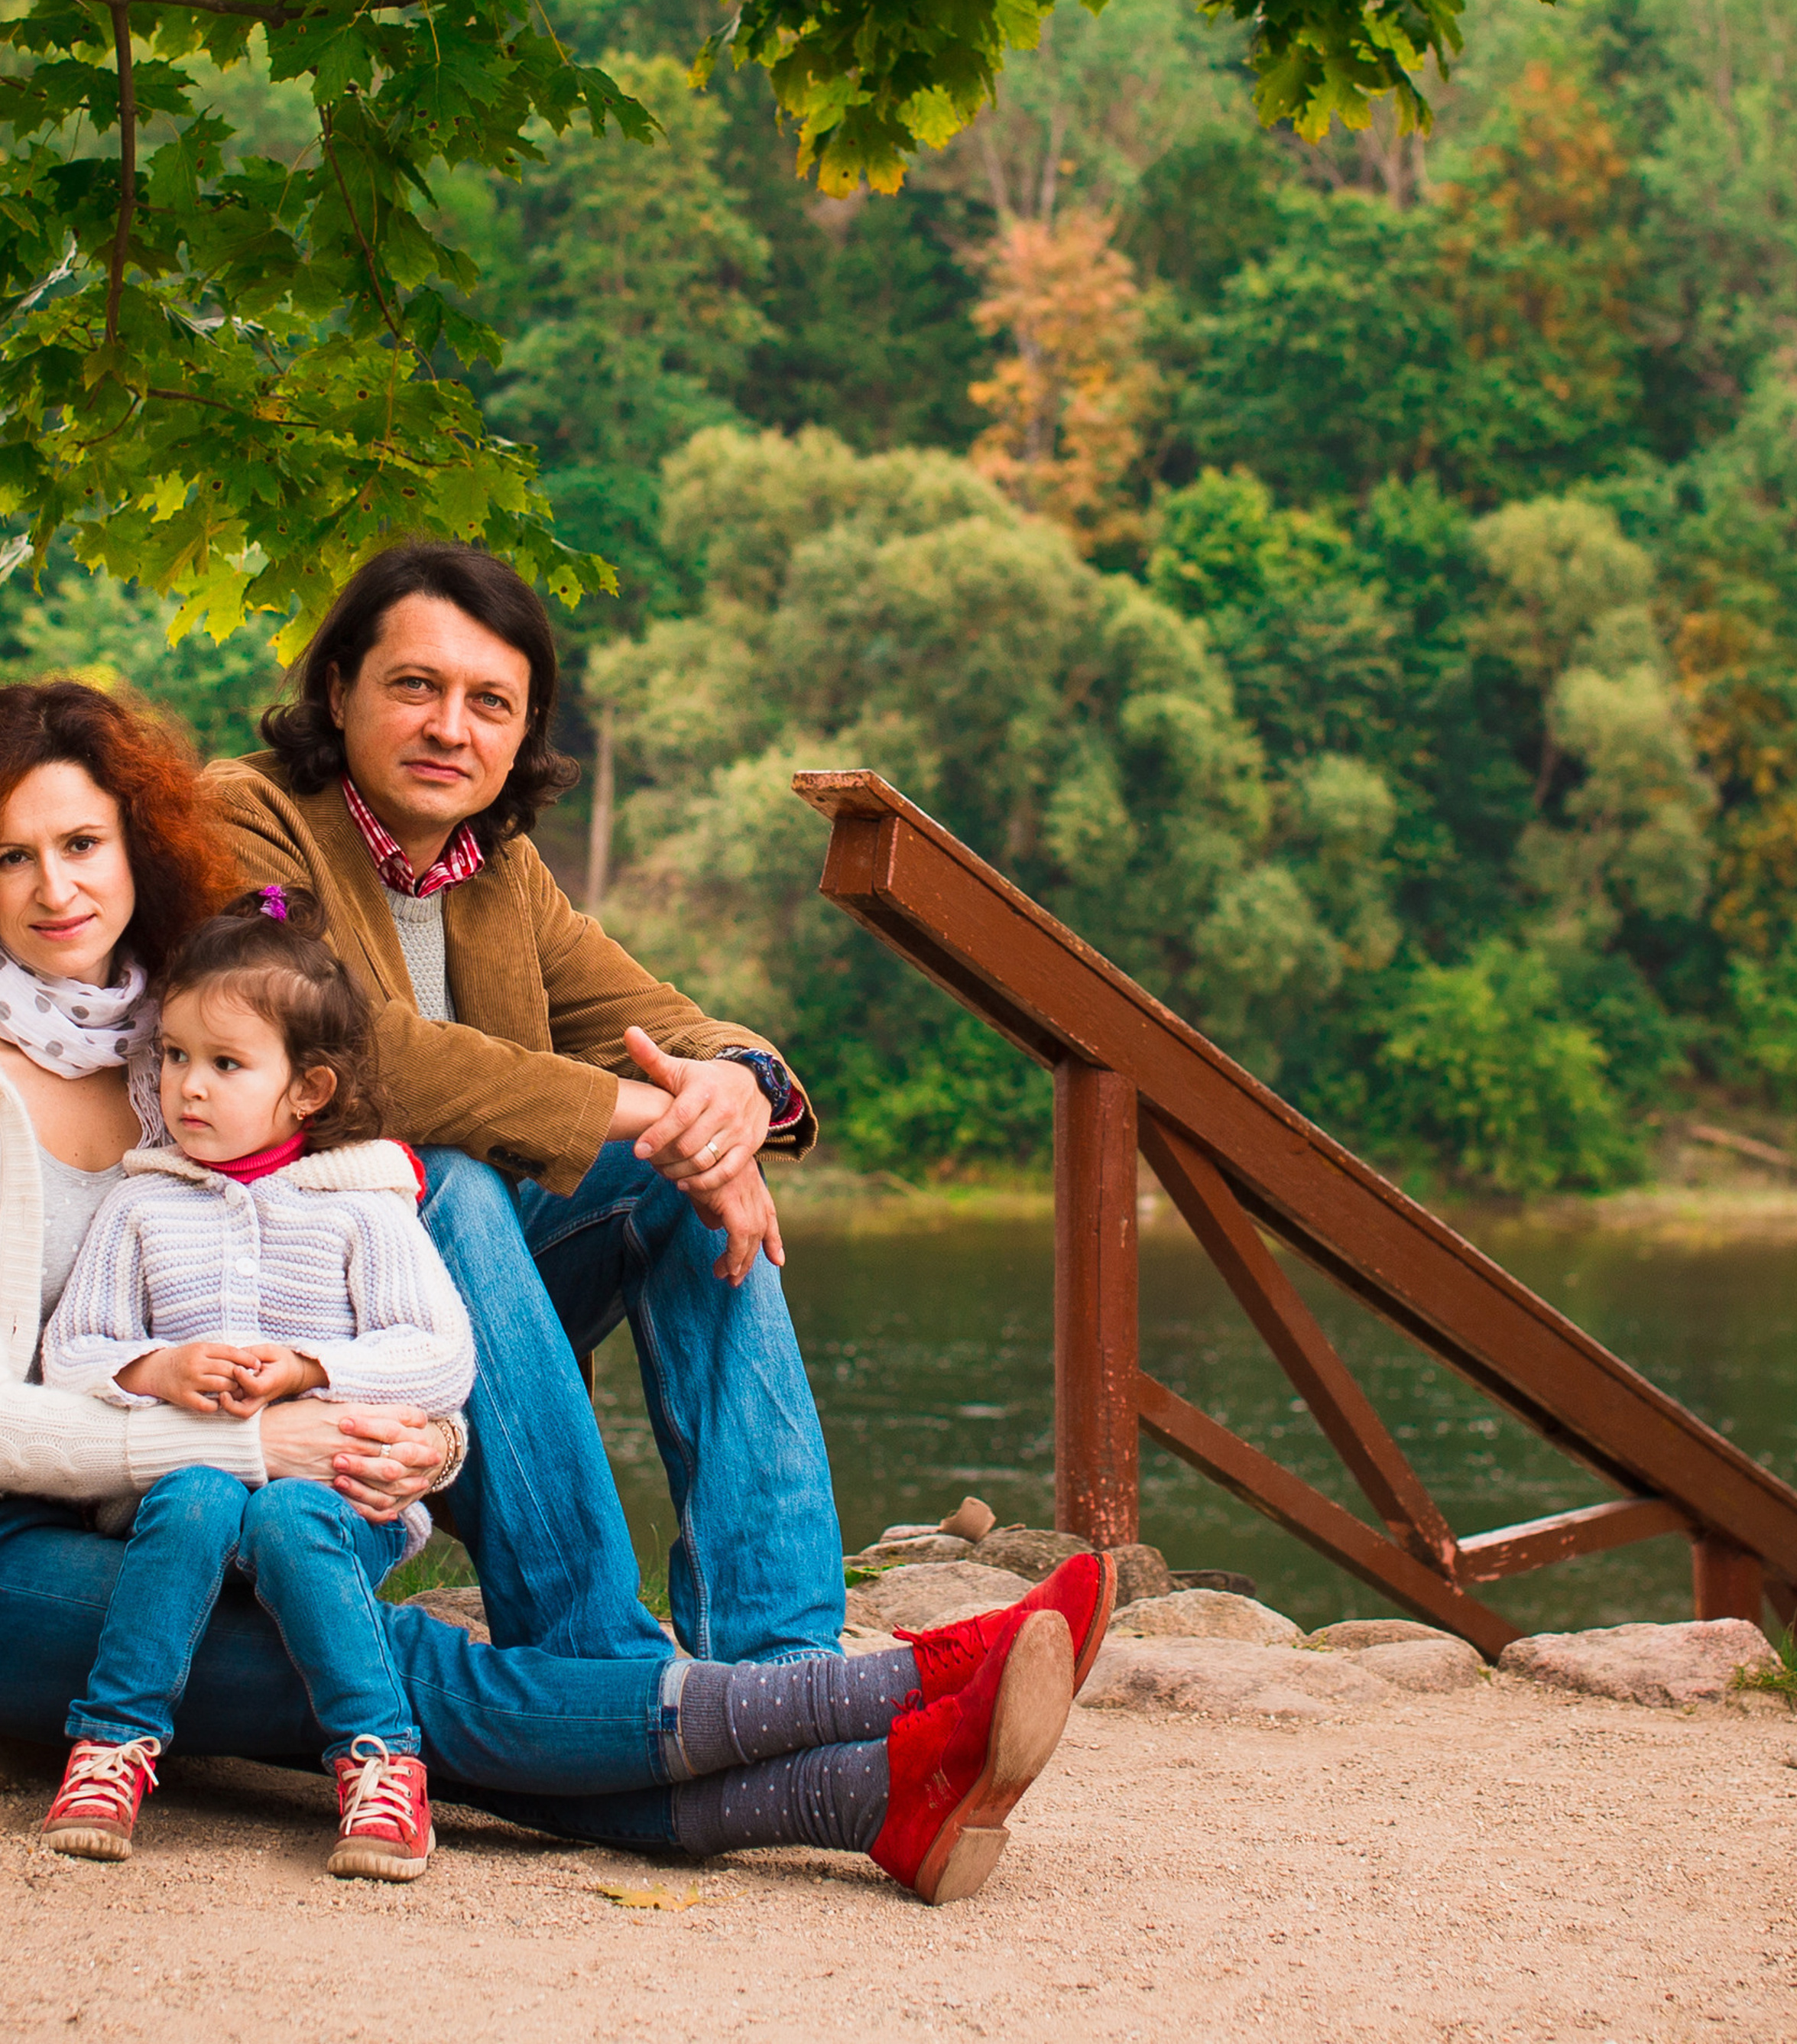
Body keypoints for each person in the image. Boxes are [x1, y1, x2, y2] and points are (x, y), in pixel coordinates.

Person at [0, 676, 1117, 1902]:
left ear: (134, 847)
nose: (57, 888)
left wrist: (415, 1430)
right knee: (390, 1670)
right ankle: (877, 1701)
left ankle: (867, 1783)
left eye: (82, 844)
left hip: (237, 1495)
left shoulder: (182, 1039)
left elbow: (322, 1270)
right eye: (12, 856)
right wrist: (264, 1438)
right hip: (49, 1539)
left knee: (627, 1189)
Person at [208, 543, 845, 1666]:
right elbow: (344, 1057)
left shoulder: (496, 869)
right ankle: (598, 1665)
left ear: (524, 731)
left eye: (490, 702)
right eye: (416, 686)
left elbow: (666, 1019)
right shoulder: (243, 818)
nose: (452, 727)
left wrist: (735, 1091)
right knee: (441, 1173)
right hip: (296, 1309)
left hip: (480, 1302)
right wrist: (647, 1110)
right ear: (341, 686)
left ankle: (781, 1661)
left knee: (684, 1173)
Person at [39, 885, 475, 1880]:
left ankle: (380, 1763)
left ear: (307, 1090)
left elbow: (442, 1356)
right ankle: (111, 1749)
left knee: (287, 1521)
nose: (190, 1087)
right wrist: (157, 1366)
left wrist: (317, 1366)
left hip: (329, 1504)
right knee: (194, 1498)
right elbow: (74, 1353)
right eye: (177, 1057)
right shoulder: (144, 1202)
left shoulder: (362, 1204)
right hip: (176, 1490)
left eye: (227, 1065)